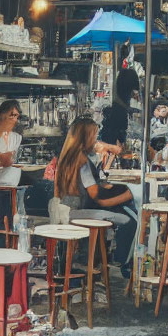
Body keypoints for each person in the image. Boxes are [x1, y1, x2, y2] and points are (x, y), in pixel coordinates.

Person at [55, 118, 137, 275]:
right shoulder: (82, 161)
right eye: (93, 135)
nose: (95, 139)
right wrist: (129, 195)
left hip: (66, 209)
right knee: (128, 221)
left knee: (118, 212)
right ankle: (121, 264)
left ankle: (102, 258)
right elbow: (99, 199)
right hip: (77, 212)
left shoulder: (69, 156)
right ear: (85, 137)